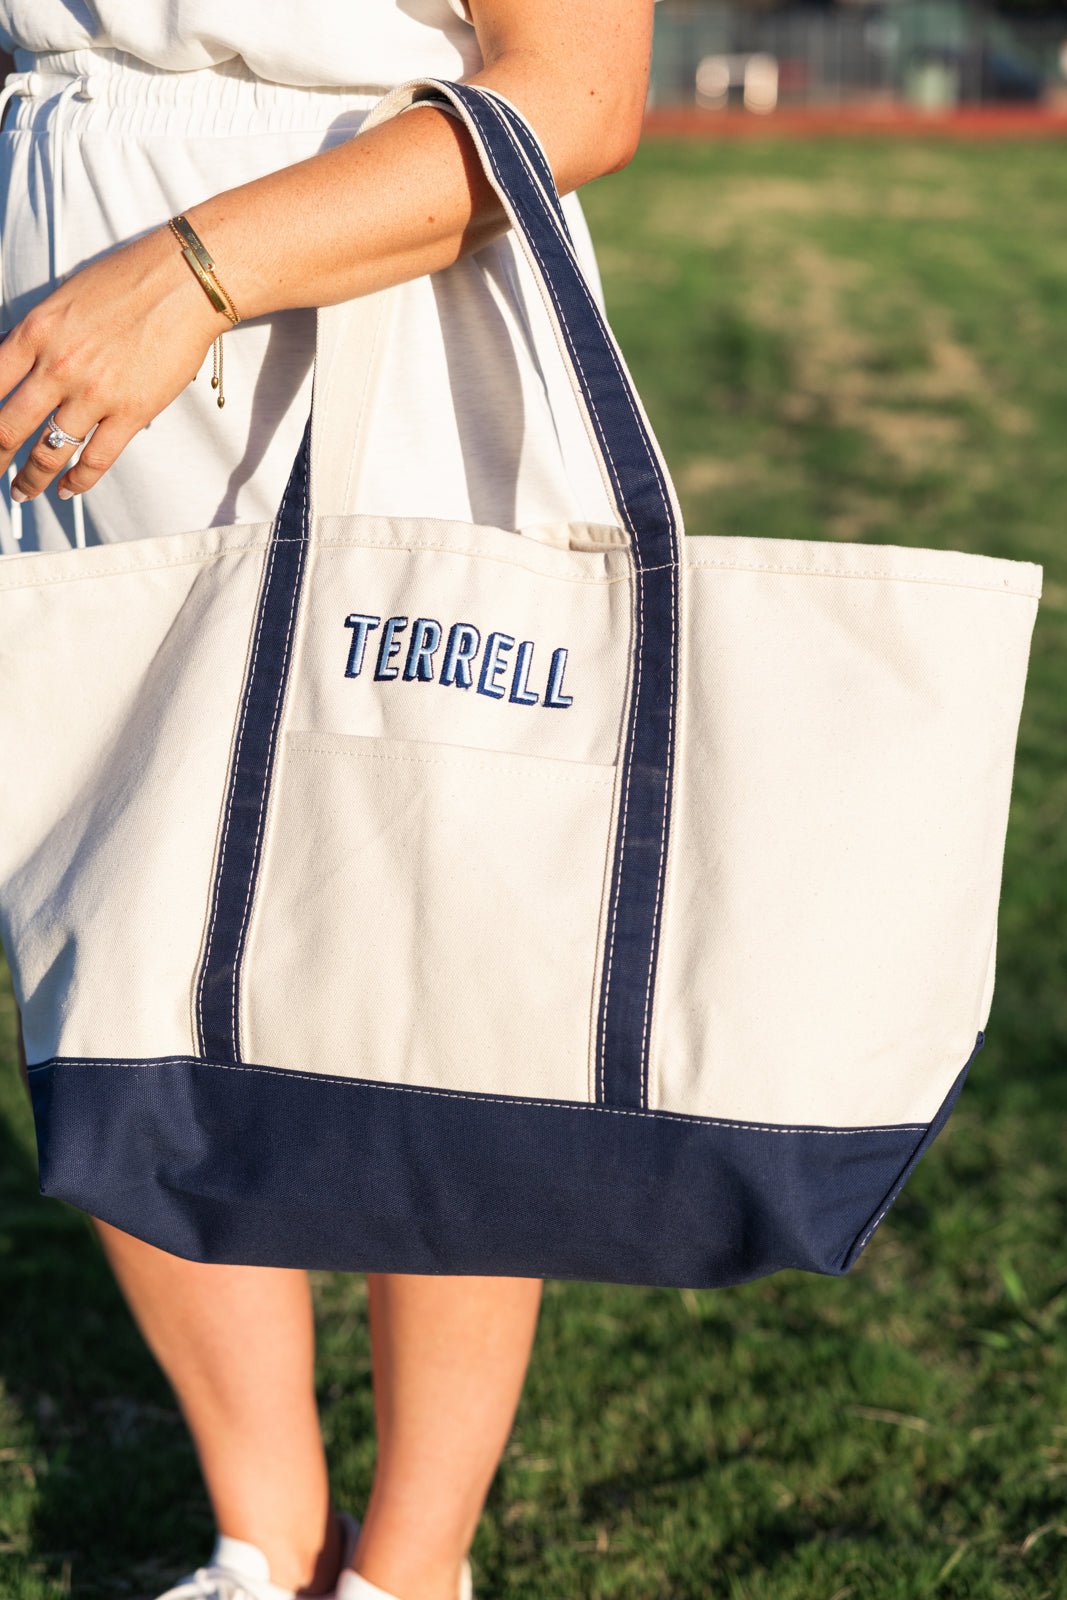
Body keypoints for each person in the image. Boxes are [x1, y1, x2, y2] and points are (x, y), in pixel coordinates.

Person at [0, 4, 654, 1598]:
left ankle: (411, 1570)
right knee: (116, 938)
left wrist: (189, 274)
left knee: (430, 972)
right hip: (53, 294)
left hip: (377, 281)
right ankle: (267, 1542)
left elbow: (578, 91)